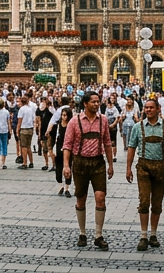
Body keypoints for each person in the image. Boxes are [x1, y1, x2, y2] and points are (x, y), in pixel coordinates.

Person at [123, 98, 164, 251]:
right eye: (146, 108)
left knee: (157, 202)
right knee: (144, 201)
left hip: (160, 167)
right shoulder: (137, 127)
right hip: (143, 167)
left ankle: (153, 234)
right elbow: (131, 147)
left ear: (158, 109)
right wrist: (128, 168)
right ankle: (143, 235)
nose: (148, 110)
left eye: (151, 107)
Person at [63, 92, 114, 250]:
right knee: (81, 199)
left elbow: (107, 143)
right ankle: (82, 233)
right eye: (93, 102)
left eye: (98, 102)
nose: (96, 104)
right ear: (85, 103)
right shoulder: (74, 121)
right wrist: (66, 165)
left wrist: (110, 164)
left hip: (98, 162)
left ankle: (98, 235)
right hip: (80, 163)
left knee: (100, 197)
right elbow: (67, 145)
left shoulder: (103, 120)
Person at [51, 107, 73, 196]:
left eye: (65, 115)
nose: (63, 117)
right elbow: (55, 137)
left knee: (68, 167)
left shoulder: (71, 125)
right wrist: (53, 148)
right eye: (62, 115)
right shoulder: (58, 125)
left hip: (68, 148)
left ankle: (67, 188)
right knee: (58, 168)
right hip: (59, 146)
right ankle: (61, 186)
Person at [15, 95, 36, 170]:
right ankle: (31, 162)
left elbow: (20, 120)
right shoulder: (30, 109)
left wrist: (17, 130)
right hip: (30, 129)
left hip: (24, 129)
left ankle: (25, 163)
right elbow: (34, 119)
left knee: (23, 147)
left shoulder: (21, 109)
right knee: (28, 146)